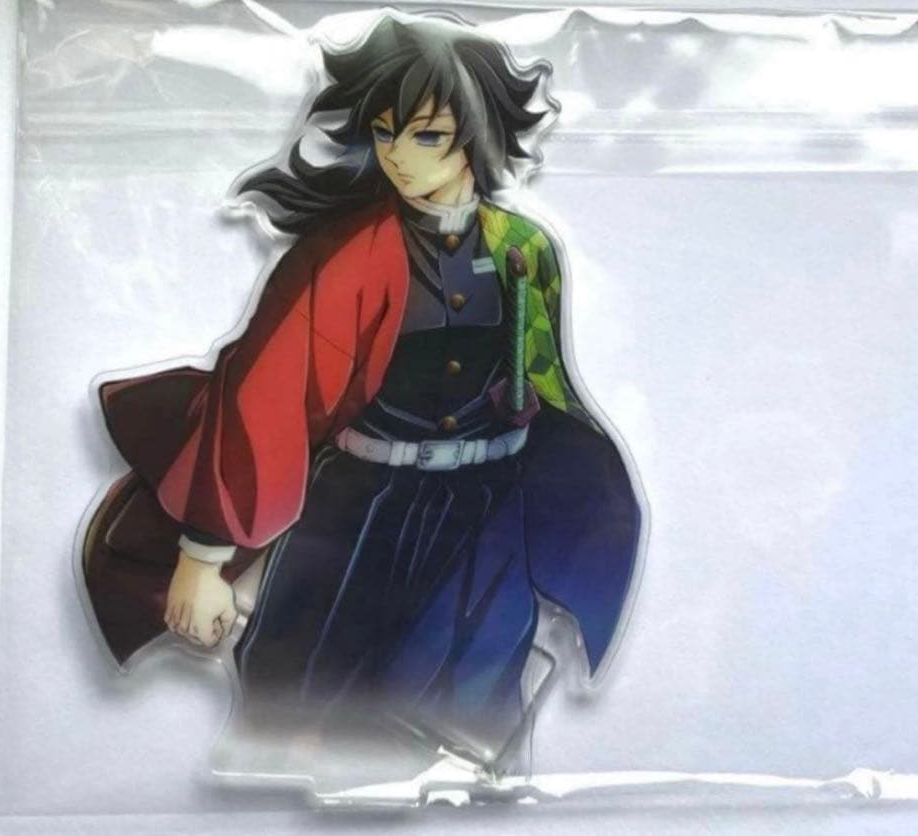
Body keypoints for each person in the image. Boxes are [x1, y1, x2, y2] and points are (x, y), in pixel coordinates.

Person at [82, 14, 641, 765]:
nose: (399, 157)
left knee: (474, 718)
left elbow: (551, 388)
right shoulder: (346, 254)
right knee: (305, 708)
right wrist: (204, 556)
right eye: (385, 134)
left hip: (486, 521)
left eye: (427, 136)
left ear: (478, 134)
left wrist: (561, 510)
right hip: (360, 517)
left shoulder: (523, 247)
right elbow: (266, 396)